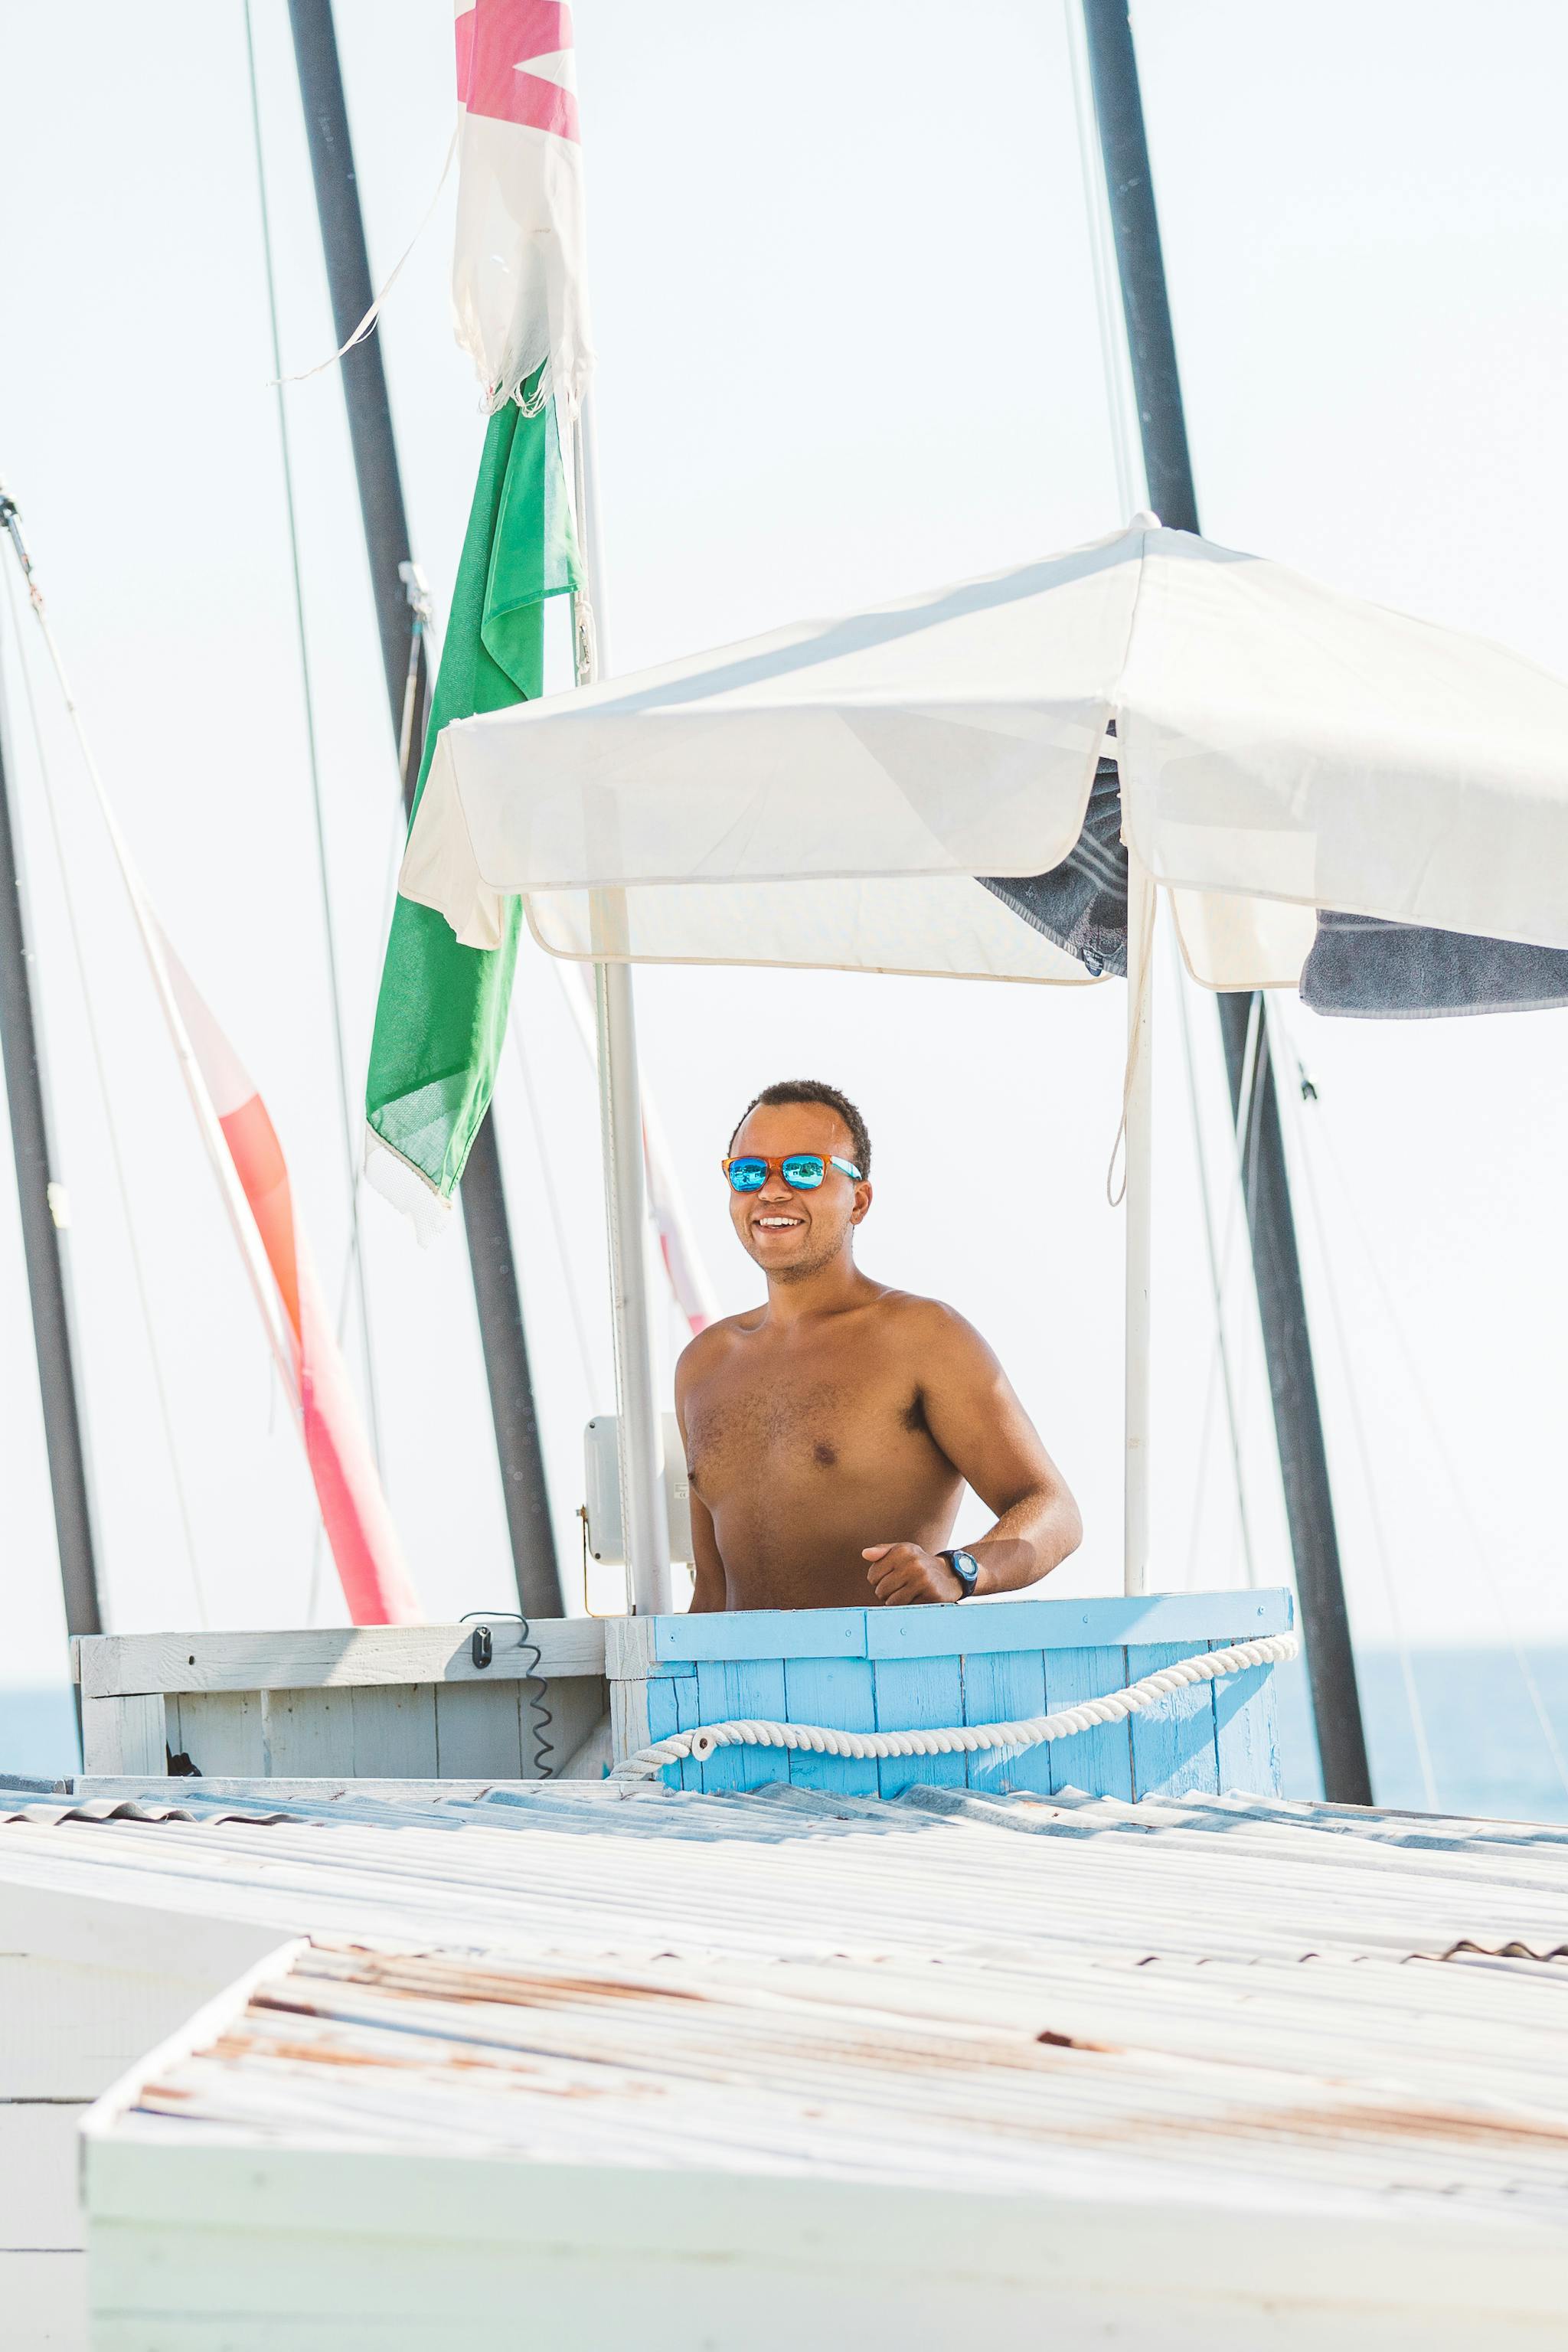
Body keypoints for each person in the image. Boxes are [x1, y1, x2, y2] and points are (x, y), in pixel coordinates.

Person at [676, 1079, 1081, 1611]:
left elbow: (1054, 1510)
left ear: (859, 1201)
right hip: (728, 1668)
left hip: (880, 1663)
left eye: (804, 1170)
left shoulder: (922, 1337)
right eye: (749, 1172)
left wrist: (959, 1570)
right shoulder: (704, 1363)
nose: (771, 1191)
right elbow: (711, 1591)